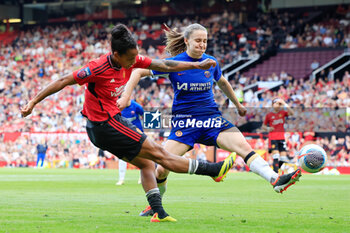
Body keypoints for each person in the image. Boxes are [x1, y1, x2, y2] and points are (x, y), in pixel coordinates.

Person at [21, 24, 235, 223]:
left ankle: (158, 212)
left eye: (136, 56)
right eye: (131, 58)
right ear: (116, 55)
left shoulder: (133, 58)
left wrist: (196, 65)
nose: (135, 62)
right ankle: (212, 170)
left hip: (103, 127)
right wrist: (33, 101)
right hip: (105, 125)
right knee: (160, 154)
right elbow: (62, 81)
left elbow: (165, 64)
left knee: (146, 163)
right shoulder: (96, 68)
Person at [118, 23, 301, 217]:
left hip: (211, 119)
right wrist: (126, 96)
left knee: (243, 147)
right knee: (162, 169)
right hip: (185, 123)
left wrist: (237, 104)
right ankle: (155, 206)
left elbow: (222, 82)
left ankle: (275, 180)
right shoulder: (174, 63)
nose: (202, 45)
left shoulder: (211, 62)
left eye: (205, 41)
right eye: (198, 40)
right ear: (187, 41)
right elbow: (138, 71)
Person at [262, 98, 294, 173]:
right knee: (276, 156)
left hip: (281, 138)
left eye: (279, 104)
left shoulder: (282, 113)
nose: (278, 105)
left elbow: (292, 113)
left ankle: (273, 172)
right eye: (276, 103)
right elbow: (263, 126)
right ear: (272, 105)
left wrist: (285, 104)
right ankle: (275, 174)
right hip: (273, 138)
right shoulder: (269, 115)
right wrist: (268, 128)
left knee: (283, 158)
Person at [117, 99, 144, 186]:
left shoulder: (136, 106)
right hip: (124, 135)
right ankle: (121, 179)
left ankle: (142, 178)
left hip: (137, 134)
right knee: (122, 157)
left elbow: (144, 114)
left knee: (142, 156)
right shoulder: (119, 106)